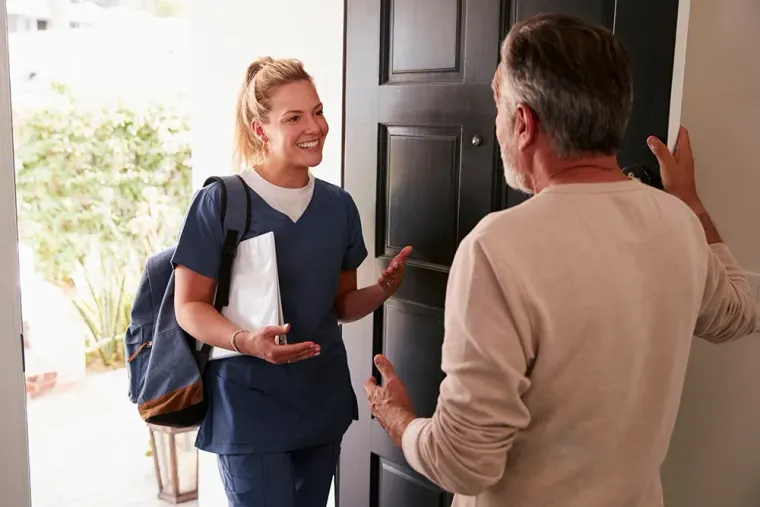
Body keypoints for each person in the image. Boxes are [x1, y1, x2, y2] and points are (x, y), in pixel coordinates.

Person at [364, 12, 759, 507]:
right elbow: (740, 313)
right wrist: (692, 203)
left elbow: (464, 462)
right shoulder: (679, 224)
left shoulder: (498, 247)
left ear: (523, 122)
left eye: (496, 104)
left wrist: (397, 418)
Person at [172, 56, 412, 507]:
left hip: (321, 400)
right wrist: (247, 341)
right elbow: (189, 308)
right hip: (249, 403)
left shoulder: (338, 206)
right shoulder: (221, 200)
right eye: (294, 118)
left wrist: (382, 290)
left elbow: (341, 306)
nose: (316, 127)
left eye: (318, 112)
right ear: (261, 130)